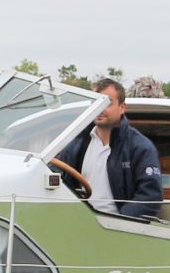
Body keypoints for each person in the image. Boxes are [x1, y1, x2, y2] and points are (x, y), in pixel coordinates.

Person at [56, 78, 163, 219]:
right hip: (78, 222)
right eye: (95, 102)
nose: (100, 109)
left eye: (107, 103)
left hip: (117, 229)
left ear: (122, 107)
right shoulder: (77, 142)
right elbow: (55, 175)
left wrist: (120, 221)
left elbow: (150, 197)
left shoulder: (141, 147)